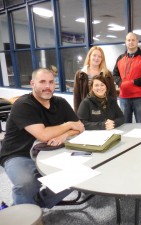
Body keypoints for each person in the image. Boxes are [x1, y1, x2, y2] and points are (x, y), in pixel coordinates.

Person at [0, 68, 85, 208]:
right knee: (27, 184)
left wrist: (64, 135)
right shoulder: (23, 105)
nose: (48, 86)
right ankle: (23, 213)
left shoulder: (61, 102)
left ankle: (36, 204)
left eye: (51, 82)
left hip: (49, 151)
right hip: (19, 154)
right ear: (32, 83)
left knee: (78, 173)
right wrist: (69, 125)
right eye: (42, 82)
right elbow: (43, 134)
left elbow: (80, 127)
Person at [113, 32, 141, 123]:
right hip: (124, 98)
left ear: (137, 41)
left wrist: (133, 82)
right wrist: (120, 83)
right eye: (129, 40)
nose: (131, 42)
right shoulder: (120, 58)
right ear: (125, 42)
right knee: (125, 125)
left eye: (133, 40)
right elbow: (115, 74)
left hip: (139, 97)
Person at [73, 46, 117, 112]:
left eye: (99, 56)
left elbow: (112, 94)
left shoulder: (107, 74)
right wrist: (77, 114)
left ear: (102, 59)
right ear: (89, 56)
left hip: (104, 110)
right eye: (94, 55)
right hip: (86, 110)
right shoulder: (80, 74)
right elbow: (77, 96)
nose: (96, 58)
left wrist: (114, 111)